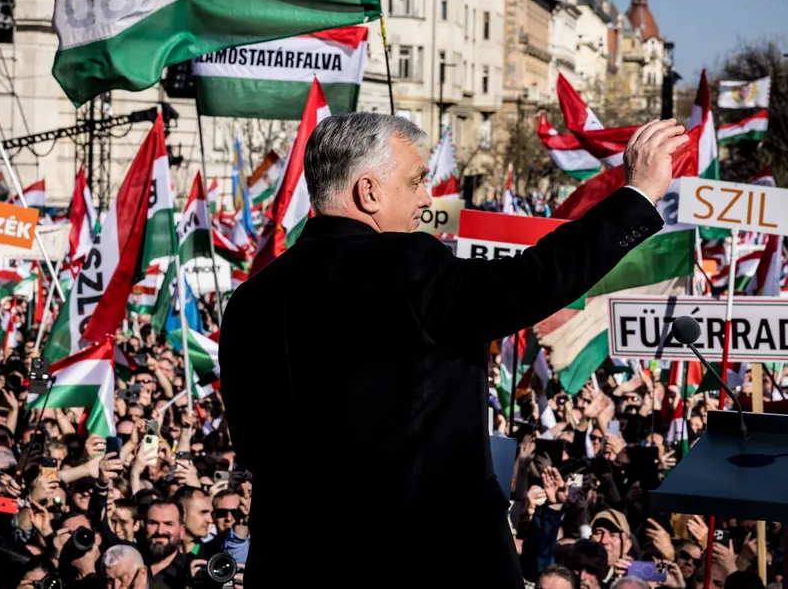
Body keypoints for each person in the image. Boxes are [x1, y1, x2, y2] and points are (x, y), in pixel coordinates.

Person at [220, 113, 686, 587]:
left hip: (290, 562)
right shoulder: (408, 264)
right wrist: (637, 196)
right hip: (426, 563)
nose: (426, 199)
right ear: (369, 192)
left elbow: (252, 443)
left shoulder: (249, 301)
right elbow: (532, 280)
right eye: (416, 181)